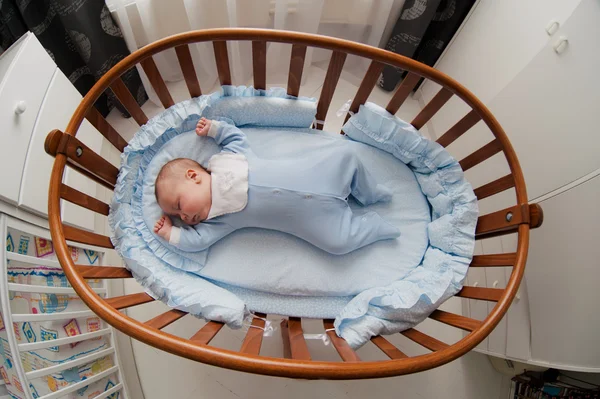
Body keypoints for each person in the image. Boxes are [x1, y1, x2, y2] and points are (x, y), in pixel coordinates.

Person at [153, 117, 400, 255]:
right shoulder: (218, 220)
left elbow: (235, 137)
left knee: (346, 156)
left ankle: (370, 192)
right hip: (313, 220)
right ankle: (375, 227)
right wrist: (170, 233)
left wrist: (214, 129)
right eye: (178, 217)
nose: (183, 217)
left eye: (178, 205)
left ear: (193, 176)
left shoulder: (230, 158)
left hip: (318, 174)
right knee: (338, 244)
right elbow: (197, 242)